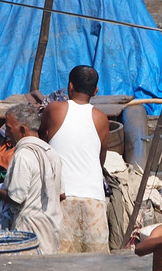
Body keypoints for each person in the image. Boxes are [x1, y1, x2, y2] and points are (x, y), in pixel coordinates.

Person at [41, 65, 111, 253]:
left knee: (62, 264)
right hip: (94, 199)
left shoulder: (54, 109)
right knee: (96, 265)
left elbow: (42, 142)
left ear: (70, 86)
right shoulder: (102, 119)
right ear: (95, 91)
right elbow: (100, 160)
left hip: (62, 197)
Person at [0, 102, 66, 254]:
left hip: (29, 233)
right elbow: (61, 194)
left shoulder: (23, 155)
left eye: (9, 129)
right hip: (52, 229)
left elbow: (17, 198)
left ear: (22, 129)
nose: (7, 133)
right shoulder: (52, 152)